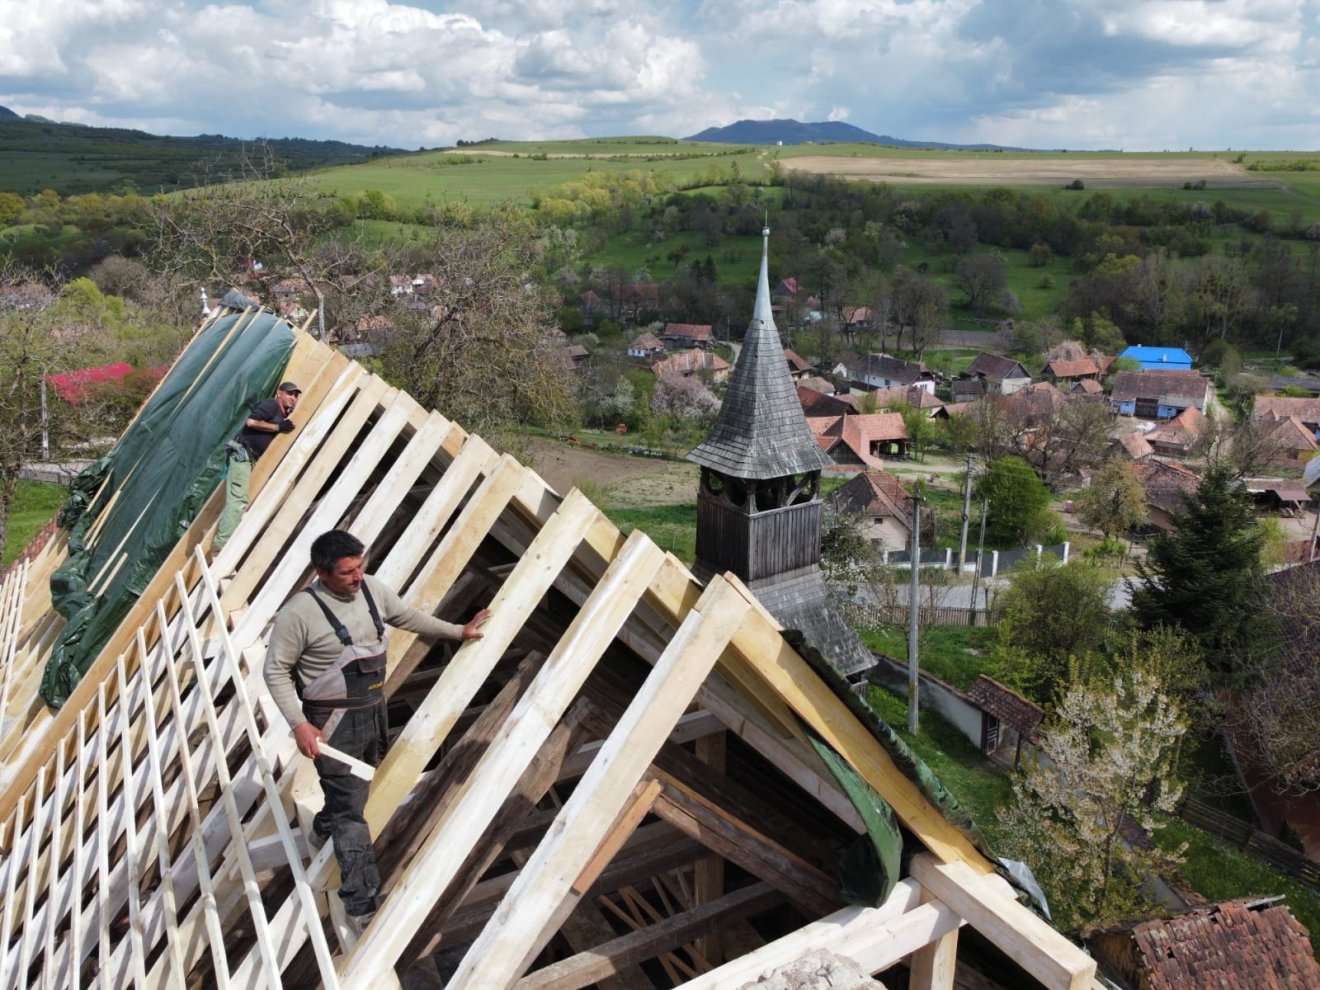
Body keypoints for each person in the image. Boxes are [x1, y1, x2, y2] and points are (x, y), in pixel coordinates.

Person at [264, 530, 491, 928]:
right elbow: (276, 671)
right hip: (332, 723)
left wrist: (459, 631)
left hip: (372, 712)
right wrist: (299, 725)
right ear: (321, 573)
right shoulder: (298, 614)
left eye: (360, 566)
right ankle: (360, 903)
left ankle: (322, 827)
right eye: (348, 572)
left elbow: (406, 616)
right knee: (353, 812)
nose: (357, 577)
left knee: (352, 792)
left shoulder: (370, 590)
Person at [212, 381, 301, 555]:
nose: (293, 398)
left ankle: (225, 540)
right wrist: (277, 427)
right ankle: (221, 546)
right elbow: (251, 422)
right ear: (279, 393)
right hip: (242, 454)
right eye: (290, 393)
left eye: (296, 395)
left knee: (240, 499)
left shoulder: (282, 414)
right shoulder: (271, 404)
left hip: (250, 458)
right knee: (238, 500)